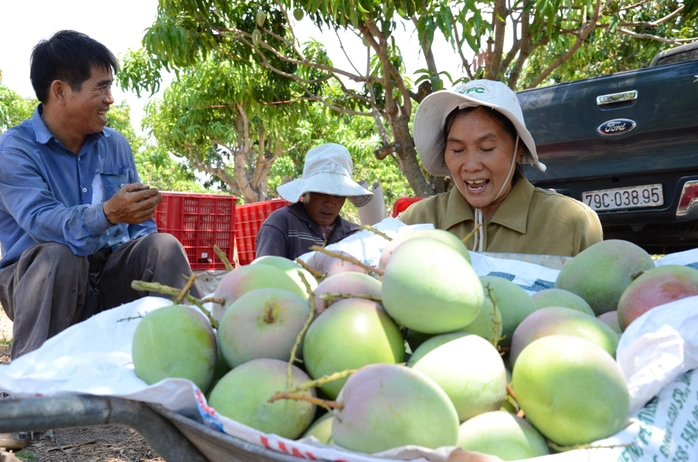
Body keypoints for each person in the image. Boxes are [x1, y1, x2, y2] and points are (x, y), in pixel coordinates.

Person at [0, 30, 203, 360]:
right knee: (59, 255)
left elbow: (141, 230)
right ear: (61, 91)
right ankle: (33, 389)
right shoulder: (15, 149)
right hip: (36, 281)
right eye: (102, 87)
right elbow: (41, 221)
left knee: (161, 247)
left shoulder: (115, 145)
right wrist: (107, 214)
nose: (111, 98)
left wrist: (136, 228)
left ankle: (195, 356)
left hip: (107, 272)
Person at [399, 79, 602, 257]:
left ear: (518, 149)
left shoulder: (572, 224)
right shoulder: (415, 222)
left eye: (487, 148)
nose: (471, 166)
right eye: (457, 149)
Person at [255, 143, 374, 260]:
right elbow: (265, 273)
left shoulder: (352, 234)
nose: (329, 203)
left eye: (338, 196)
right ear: (305, 192)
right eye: (321, 193)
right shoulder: (282, 224)